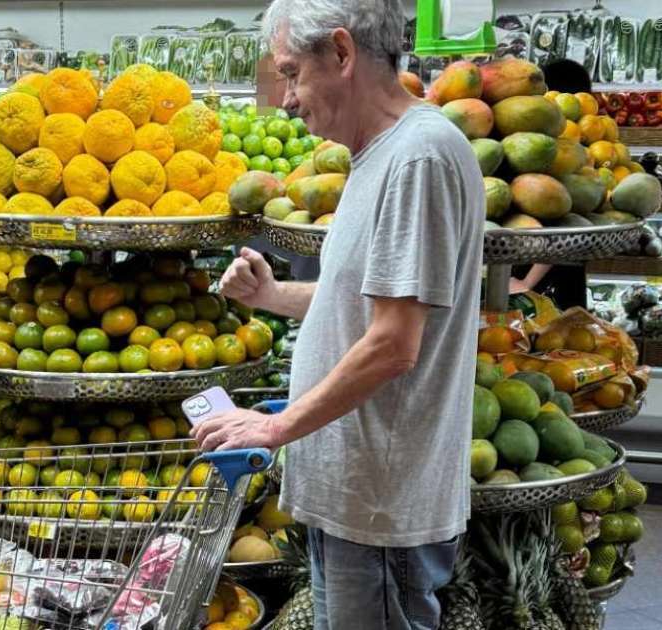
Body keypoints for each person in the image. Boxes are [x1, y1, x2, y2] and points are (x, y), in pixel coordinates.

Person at [192, 1, 485, 627]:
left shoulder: (418, 159)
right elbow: (370, 303)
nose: (288, 99)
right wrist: (274, 298)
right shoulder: (377, 154)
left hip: (379, 502)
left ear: (343, 54)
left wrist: (277, 428)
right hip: (352, 490)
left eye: (292, 73)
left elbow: (393, 344)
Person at [509, 59, 593, 307]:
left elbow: (563, 225)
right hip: (567, 271)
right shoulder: (582, 141)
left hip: (541, 273)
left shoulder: (561, 148)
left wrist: (527, 282)